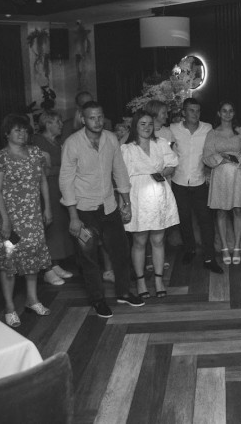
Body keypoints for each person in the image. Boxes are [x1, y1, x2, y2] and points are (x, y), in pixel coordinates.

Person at [59, 101, 144, 318]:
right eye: (92, 118)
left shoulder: (111, 138)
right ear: (83, 119)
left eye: (100, 117)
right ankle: (98, 300)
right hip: (83, 210)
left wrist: (126, 202)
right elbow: (66, 181)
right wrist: (73, 217)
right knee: (89, 257)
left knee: (121, 251)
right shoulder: (72, 143)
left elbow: (119, 170)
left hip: (109, 207)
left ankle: (124, 292)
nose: (97, 121)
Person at [0, 114, 53, 328]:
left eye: (25, 130)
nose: (22, 134)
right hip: (9, 217)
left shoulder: (35, 153)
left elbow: (43, 180)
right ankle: (9, 307)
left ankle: (32, 299)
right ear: (7, 133)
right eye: (17, 130)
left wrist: (47, 207)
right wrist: (5, 220)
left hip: (33, 215)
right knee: (9, 260)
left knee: (33, 256)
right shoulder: (0, 156)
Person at [121, 111, 180, 299]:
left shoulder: (160, 143)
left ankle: (158, 280)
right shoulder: (127, 148)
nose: (147, 127)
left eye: (149, 124)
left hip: (158, 193)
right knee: (139, 241)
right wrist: (124, 202)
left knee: (158, 240)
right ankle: (140, 282)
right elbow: (121, 176)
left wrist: (164, 172)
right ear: (135, 126)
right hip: (137, 195)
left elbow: (172, 163)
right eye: (142, 124)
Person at [169, 98, 224, 273]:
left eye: (198, 110)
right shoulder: (173, 129)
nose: (195, 114)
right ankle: (190, 250)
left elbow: (214, 150)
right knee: (184, 219)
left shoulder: (207, 128)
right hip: (179, 181)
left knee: (206, 221)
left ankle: (210, 258)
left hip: (200, 181)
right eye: (191, 110)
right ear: (183, 113)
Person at [202, 101, 241, 266]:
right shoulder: (212, 133)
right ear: (219, 113)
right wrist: (221, 158)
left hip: (237, 174)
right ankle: (224, 247)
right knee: (221, 212)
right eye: (224, 111)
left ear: (234, 113)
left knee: (238, 210)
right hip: (220, 175)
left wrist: (236, 158)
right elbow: (207, 156)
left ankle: (236, 247)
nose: (227, 114)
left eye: (230, 111)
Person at [31, 110, 75, 286]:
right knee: (48, 228)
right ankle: (46, 268)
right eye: (57, 122)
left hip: (59, 188)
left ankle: (54, 263)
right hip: (47, 189)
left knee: (58, 227)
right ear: (47, 123)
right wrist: (66, 169)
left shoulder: (57, 142)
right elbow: (44, 170)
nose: (61, 125)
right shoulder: (38, 141)